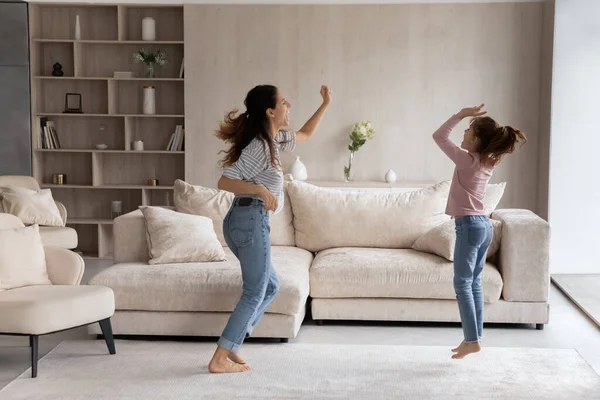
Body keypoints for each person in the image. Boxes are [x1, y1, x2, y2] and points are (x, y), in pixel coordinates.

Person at [208, 84, 332, 373]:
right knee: (255, 291)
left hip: (246, 221)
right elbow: (225, 181)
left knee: (271, 286)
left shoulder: (274, 140)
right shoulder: (260, 146)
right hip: (249, 220)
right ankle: (219, 358)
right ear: (270, 111)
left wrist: (325, 103)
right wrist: (260, 191)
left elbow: (306, 134)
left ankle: (233, 344)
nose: (289, 107)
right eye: (284, 103)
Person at [432, 104, 527, 359]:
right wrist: (471, 121)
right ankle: (474, 338)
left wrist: (461, 114)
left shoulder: (467, 160)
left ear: (475, 140)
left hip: (470, 226)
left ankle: (471, 339)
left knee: (462, 283)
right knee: (473, 283)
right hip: (484, 227)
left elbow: (439, 137)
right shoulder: (488, 160)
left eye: (468, 130)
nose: (463, 133)